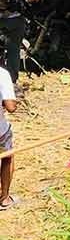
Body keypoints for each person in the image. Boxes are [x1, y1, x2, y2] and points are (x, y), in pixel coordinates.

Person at [0, 65, 18, 210]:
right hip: (0, 132)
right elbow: (11, 107)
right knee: (7, 157)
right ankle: (4, 198)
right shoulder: (2, 74)